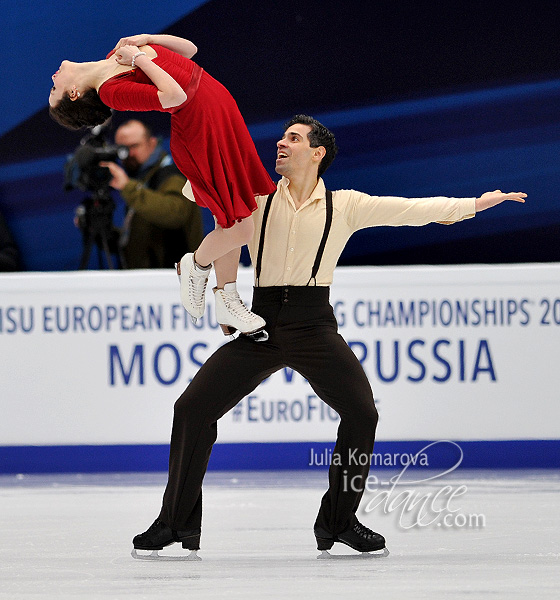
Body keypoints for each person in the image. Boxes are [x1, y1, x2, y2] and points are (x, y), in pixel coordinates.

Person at [130, 114, 527, 558]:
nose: (280, 143)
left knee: (362, 413)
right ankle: (175, 523)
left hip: (312, 324)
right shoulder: (256, 197)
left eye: (293, 139)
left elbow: (413, 210)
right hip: (261, 322)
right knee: (191, 409)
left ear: (317, 153)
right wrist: (228, 296)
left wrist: (474, 203)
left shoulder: (347, 205)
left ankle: (339, 522)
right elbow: (209, 201)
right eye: (281, 137)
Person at [49, 34, 276, 337]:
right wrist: (139, 58)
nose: (53, 79)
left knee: (235, 220)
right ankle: (195, 265)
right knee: (242, 228)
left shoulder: (115, 53)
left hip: (218, 108)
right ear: (74, 93)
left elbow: (191, 51)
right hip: (199, 127)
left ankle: (228, 301)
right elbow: (175, 96)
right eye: (55, 89)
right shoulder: (111, 91)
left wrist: (148, 39)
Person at [100, 119, 203, 269]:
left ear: (152, 143)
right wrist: (102, 231)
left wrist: (128, 187)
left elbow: (176, 213)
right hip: (147, 280)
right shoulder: (141, 177)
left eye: (134, 146)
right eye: (122, 148)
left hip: (173, 281)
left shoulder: (171, 174)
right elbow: (138, 240)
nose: (129, 154)